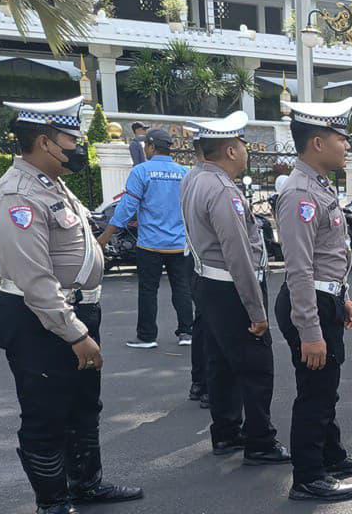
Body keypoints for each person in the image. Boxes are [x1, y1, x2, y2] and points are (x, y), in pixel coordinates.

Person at [0, 97, 142, 514]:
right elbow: (34, 278)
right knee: (46, 412)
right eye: (72, 139)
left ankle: (87, 484)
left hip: (76, 311)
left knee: (83, 404)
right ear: (45, 143)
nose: (78, 146)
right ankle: (52, 501)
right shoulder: (16, 195)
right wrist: (75, 333)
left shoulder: (52, 184)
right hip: (41, 321)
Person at [182, 111, 290, 465]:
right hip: (230, 288)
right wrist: (257, 311)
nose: (246, 150)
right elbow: (239, 255)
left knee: (221, 363)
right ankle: (260, 440)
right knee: (256, 365)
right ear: (230, 150)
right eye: (242, 144)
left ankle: (227, 431)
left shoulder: (195, 178)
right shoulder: (222, 190)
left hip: (207, 282)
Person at [275, 97, 352, 503]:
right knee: (315, 390)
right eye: (340, 138)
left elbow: (327, 257)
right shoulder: (299, 195)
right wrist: (310, 331)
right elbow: (298, 269)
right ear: (317, 142)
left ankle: (329, 454)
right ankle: (308, 476)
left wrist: (342, 296)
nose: (346, 145)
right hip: (307, 303)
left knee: (325, 386)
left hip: (323, 298)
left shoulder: (317, 185)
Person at [98, 129, 193, 349]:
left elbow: (127, 208)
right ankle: (187, 332)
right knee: (182, 288)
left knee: (148, 289)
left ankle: (147, 336)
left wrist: (105, 237)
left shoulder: (142, 171)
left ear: (150, 147)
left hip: (150, 244)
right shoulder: (184, 172)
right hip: (179, 244)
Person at [181, 134, 209, 409]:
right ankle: (207, 384)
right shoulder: (205, 180)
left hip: (194, 257)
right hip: (206, 263)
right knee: (211, 325)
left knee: (204, 322)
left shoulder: (192, 177)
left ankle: (200, 381)